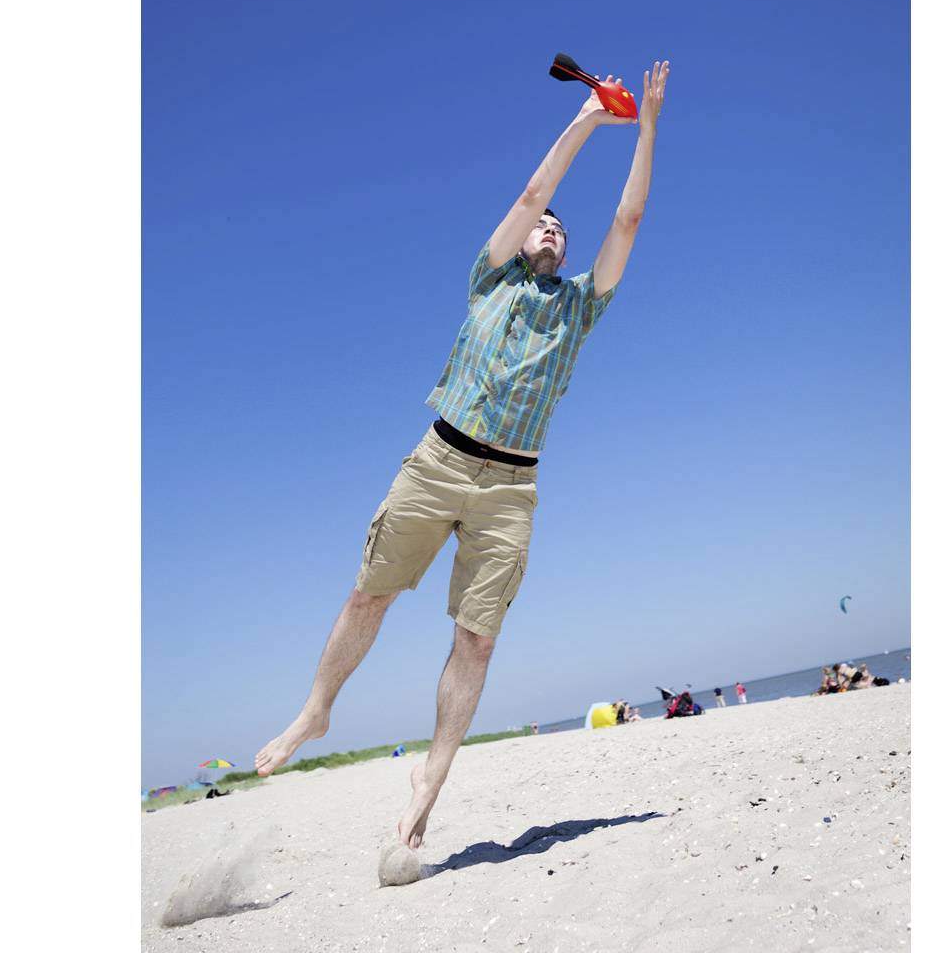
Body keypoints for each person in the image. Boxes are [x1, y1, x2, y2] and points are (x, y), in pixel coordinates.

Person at [254, 60, 671, 850]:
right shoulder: (490, 279)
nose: (550, 230)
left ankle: (431, 779)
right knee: (370, 594)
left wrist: (646, 123)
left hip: (511, 488)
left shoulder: (580, 308)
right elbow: (528, 195)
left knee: (476, 638)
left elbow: (629, 220)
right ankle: (317, 708)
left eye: (559, 231)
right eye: (546, 226)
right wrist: (587, 120)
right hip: (438, 460)